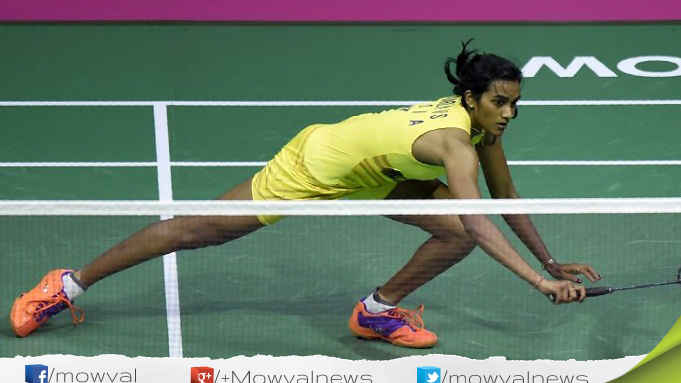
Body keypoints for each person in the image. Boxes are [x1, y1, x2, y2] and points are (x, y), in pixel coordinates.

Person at [10, 40, 601, 348]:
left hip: (382, 172)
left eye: (514, 103)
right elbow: (477, 217)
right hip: (320, 164)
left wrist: (550, 260)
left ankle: (376, 313)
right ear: (470, 98)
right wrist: (539, 283)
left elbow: (502, 197)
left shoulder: (484, 131)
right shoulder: (455, 143)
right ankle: (66, 284)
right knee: (199, 230)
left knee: (452, 235)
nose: (508, 112)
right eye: (499, 102)